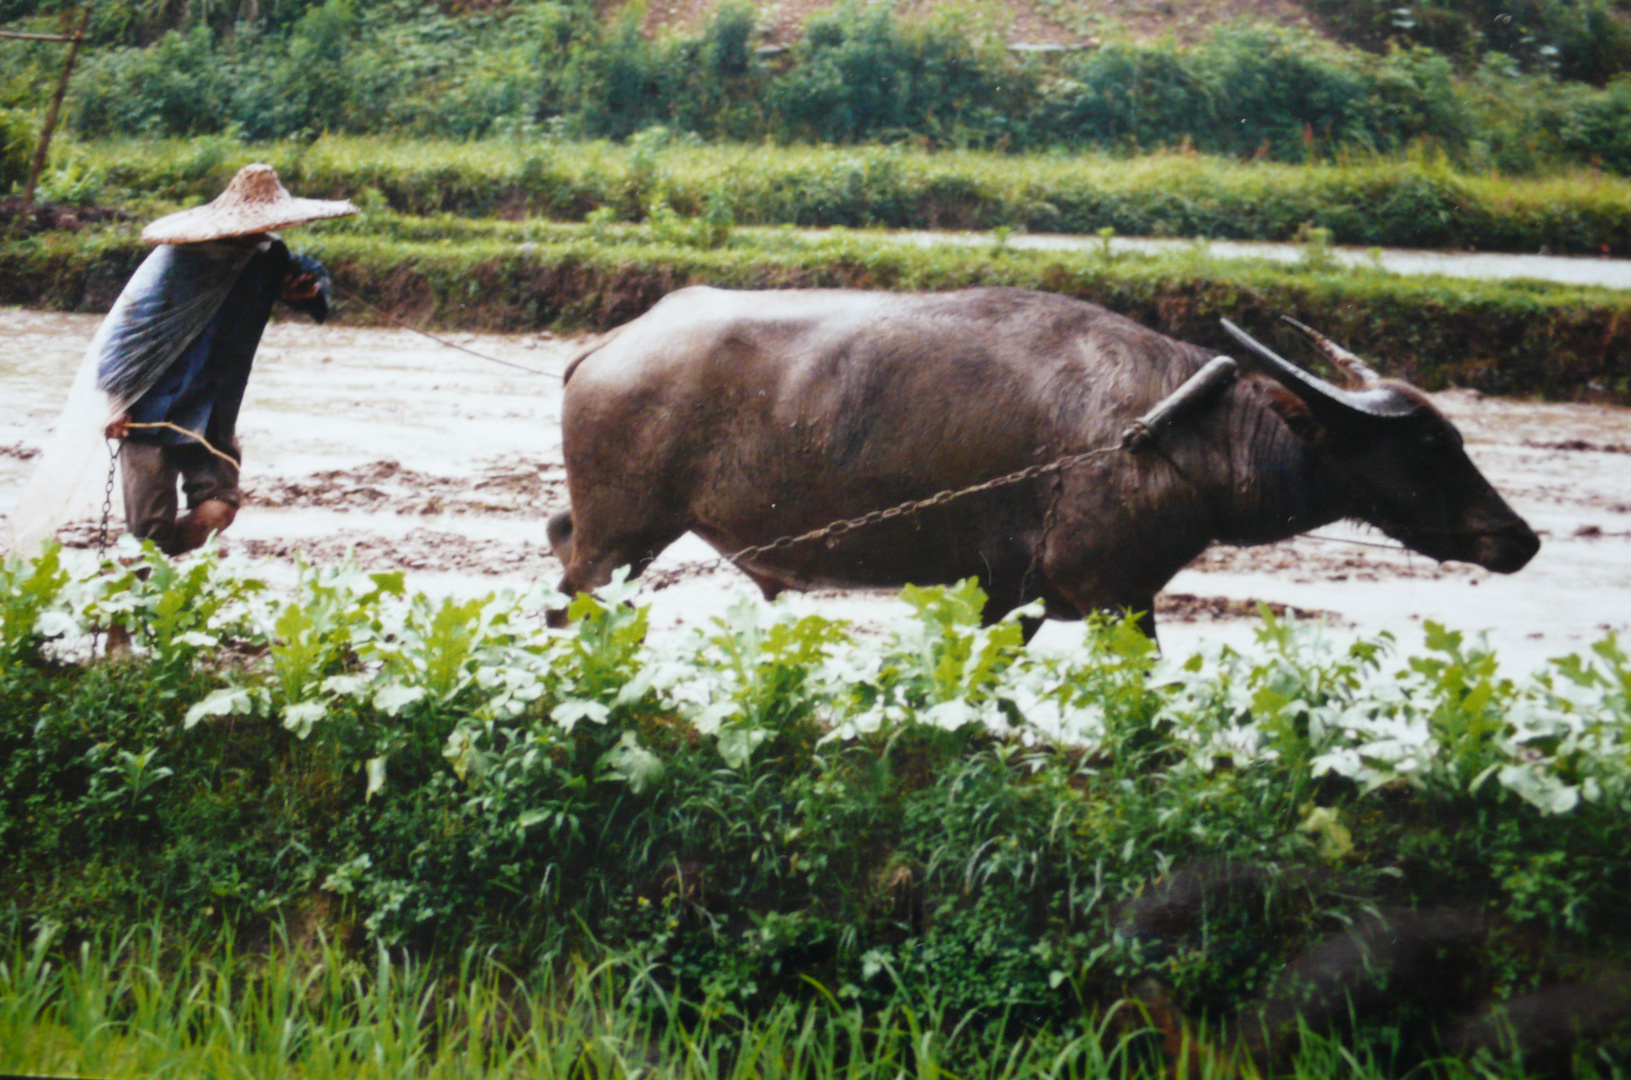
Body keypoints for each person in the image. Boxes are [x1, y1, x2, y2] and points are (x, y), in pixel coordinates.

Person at [94, 163, 357, 555]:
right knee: (150, 531)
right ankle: (131, 593)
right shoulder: (179, 260)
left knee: (217, 511)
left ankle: (137, 576)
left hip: (213, 410)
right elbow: (127, 330)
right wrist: (115, 401)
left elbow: (307, 273)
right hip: (152, 407)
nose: (259, 233)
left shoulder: (268, 255)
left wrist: (307, 289)